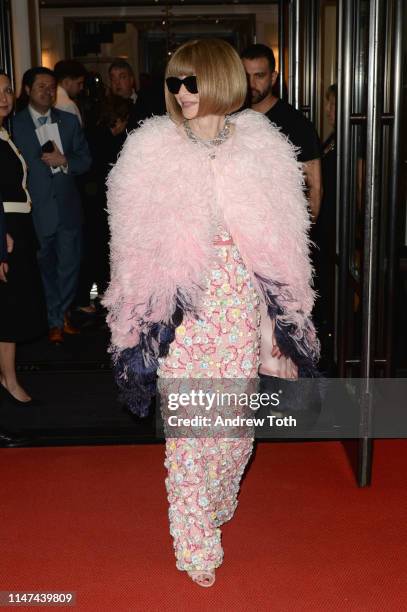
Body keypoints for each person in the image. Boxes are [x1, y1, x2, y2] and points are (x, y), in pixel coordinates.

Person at [103, 39, 319, 587]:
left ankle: (218, 499)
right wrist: (134, 315)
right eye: (173, 83)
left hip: (242, 308)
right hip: (181, 311)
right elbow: (128, 240)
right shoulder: (150, 148)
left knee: (233, 431)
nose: (180, 93)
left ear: (222, 81)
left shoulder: (264, 146)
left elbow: (287, 237)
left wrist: (290, 311)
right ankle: (195, 542)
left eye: (191, 82)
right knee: (190, 432)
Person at [13, 67, 91, 344]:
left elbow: (86, 160)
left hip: (68, 208)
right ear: (26, 90)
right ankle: (54, 318)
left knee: (69, 266)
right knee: (44, 267)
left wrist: (65, 161)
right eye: (41, 87)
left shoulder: (69, 121)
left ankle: (61, 315)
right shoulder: (14, 124)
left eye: (51, 87)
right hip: (37, 210)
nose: (47, 92)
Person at [0, 69, 47, 405]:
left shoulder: (5, 134)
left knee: (12, 308)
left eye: (6, 90)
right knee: (9, 309)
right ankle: (9, 379)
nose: (4, 98)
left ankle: (8, 376)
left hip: (17, 226)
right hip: (5, 229)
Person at [241, 44, 322, 222]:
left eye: (259, 76)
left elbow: (314, 188)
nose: (251, 84)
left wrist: (302, 236)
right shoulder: (231, 119)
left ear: (273, 78)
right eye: (246, 76)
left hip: (282, 228)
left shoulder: (297, 124)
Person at [75, 95, 131, 314]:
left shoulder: (91, 134)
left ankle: (93, 296)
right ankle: (90, 298)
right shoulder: (111, 140)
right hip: (101, 203)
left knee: (94, 251)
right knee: (98, 252)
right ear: (118, 119)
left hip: (90, 202)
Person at [312, 84, 337, 370]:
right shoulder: (331, 137)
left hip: (338, 228)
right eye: (328, 104)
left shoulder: (354, 140)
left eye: (334, 105)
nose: (329, 111)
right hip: (327, 226)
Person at [108, 58, 149, 131]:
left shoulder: (146, 103)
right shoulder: (106, 107)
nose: (117, 83)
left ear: (131, 80)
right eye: (113, 79)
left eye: (122, 77)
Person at [54, 59, 87, 126]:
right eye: (79, 83)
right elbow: (77, 133)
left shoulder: (50, 99)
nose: (81, 87)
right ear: (66, 82)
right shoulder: (68, 105)